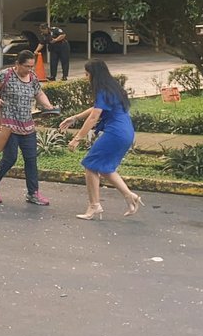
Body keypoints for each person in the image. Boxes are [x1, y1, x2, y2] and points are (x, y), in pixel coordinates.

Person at [60, 59, 142, 219]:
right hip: (126, 132)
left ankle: (94, 206)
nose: (86, 77)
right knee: (105, 168)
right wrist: (74, 118)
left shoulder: (103, 90)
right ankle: (130, 196)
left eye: (87, 74)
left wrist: (77, 138)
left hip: (115, 133)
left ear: (94, 74)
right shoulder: (113, 87)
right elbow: (96, 108)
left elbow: (94, 116)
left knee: (90, 165)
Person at [0, 50, 58, 206]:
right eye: (26, 66)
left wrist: (48, 106)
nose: (29, 69)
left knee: (31, 159)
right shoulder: (6, 74)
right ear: (17, 64)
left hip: (27, 125)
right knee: (10, 158)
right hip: (8, 124)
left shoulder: (33, 78)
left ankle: (33, 193)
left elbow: (39, 93)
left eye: (32, 66)